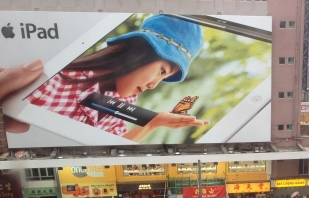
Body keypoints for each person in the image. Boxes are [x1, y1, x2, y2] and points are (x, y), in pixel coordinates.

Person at [27, 15, 209, 142]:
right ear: (138, 52)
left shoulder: (123, 102)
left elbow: (112, 150)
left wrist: (154, 122)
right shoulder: (52, 80)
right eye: (162, 71)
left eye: (165, 77)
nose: (154, 85)